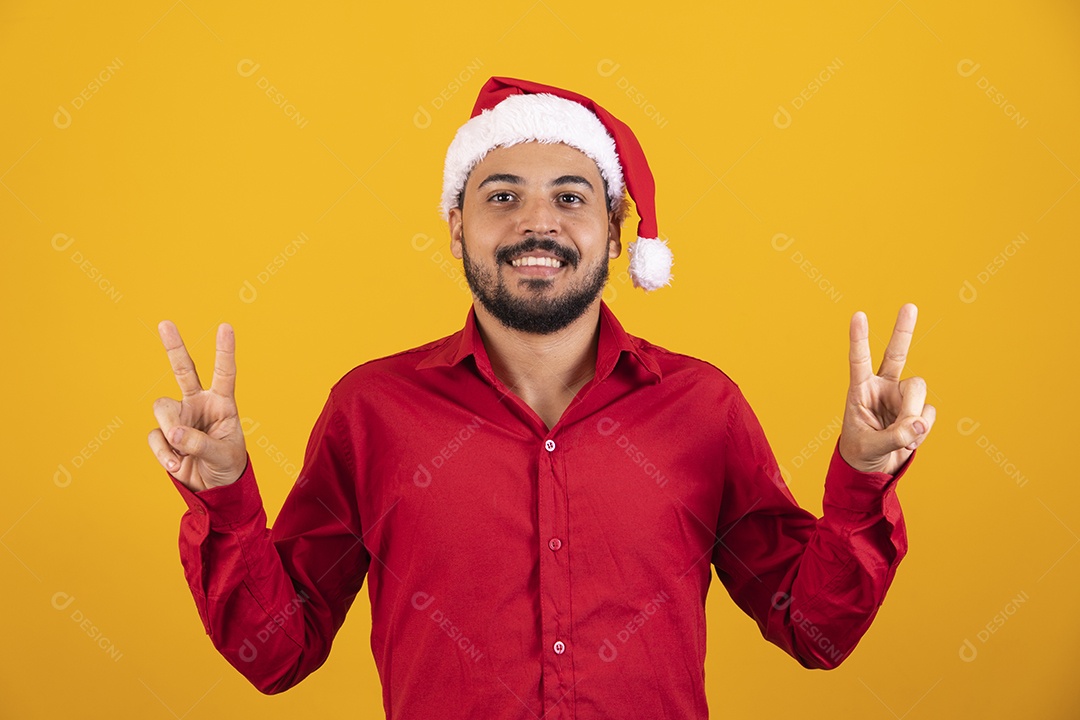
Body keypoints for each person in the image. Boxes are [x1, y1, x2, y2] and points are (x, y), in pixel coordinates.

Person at [147, 77, 935, 719]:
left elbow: (816, 631)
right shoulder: (372, 410)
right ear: (455, 228)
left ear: (616, 231)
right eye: (500, 198)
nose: (536, 224)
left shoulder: (703, 408)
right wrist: (223, 497)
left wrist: (862, 483)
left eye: (569, 198)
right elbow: (276, 653)